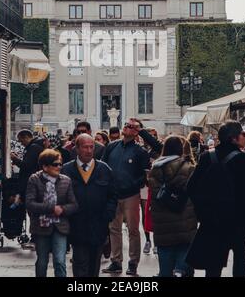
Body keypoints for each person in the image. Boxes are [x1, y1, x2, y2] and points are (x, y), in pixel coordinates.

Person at [186, 121, 245, 277]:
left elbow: (191, 187)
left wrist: (203, 211)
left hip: (212, 220)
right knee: (241, 265)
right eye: (243, 134)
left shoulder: (206, 157)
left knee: (213, 266)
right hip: (238, 221)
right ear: (234, 138)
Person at [102, 118, 157, 276]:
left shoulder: (140, 151)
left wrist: (134, 184)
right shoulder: (112, 146)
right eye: (126, 125)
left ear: (137, 132)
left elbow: (145, 173)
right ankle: (116, 261)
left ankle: (133, 263)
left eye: (133, 127)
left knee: (133, 230)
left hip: (131, 195)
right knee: (114, 228)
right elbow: (103, 166)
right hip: (113, 194)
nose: (128, 128)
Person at [63, 134, 117, 277]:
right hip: (77, 225)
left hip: (98, 224)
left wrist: (108, 214)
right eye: (85, 147)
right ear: (77, 149)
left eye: (91, 147)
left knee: (94, 264)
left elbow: (113, 195)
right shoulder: (67, 170)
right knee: (80, 262)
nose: (88, 150)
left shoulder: (104, 169)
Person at [148, 136, 197, 277]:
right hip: (184, 220)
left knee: (165, 259)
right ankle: (180, 272)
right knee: (184, 253)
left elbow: (155, 193)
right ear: (181, 149)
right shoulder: (189, 168)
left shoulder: (155, 168)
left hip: (162, 223)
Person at [25, 149, 78, 277]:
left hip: (60, 226)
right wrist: (51, 208)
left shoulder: (66, 180)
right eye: (55, 164)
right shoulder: (34, 179)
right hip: (41, 227)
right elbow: (30, 203)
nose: (59, 167)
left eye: (60, 164)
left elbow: (74, 205)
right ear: (45, 166)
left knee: (60, 261)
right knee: (42, 261)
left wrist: (63, 209)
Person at [11, 129, 44, 199]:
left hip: (30, 181)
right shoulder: (33, 147)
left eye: (21, 141)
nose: (21, 143)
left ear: (26, 137)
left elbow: (26, 166)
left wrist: (15, 159)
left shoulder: (33, 148)